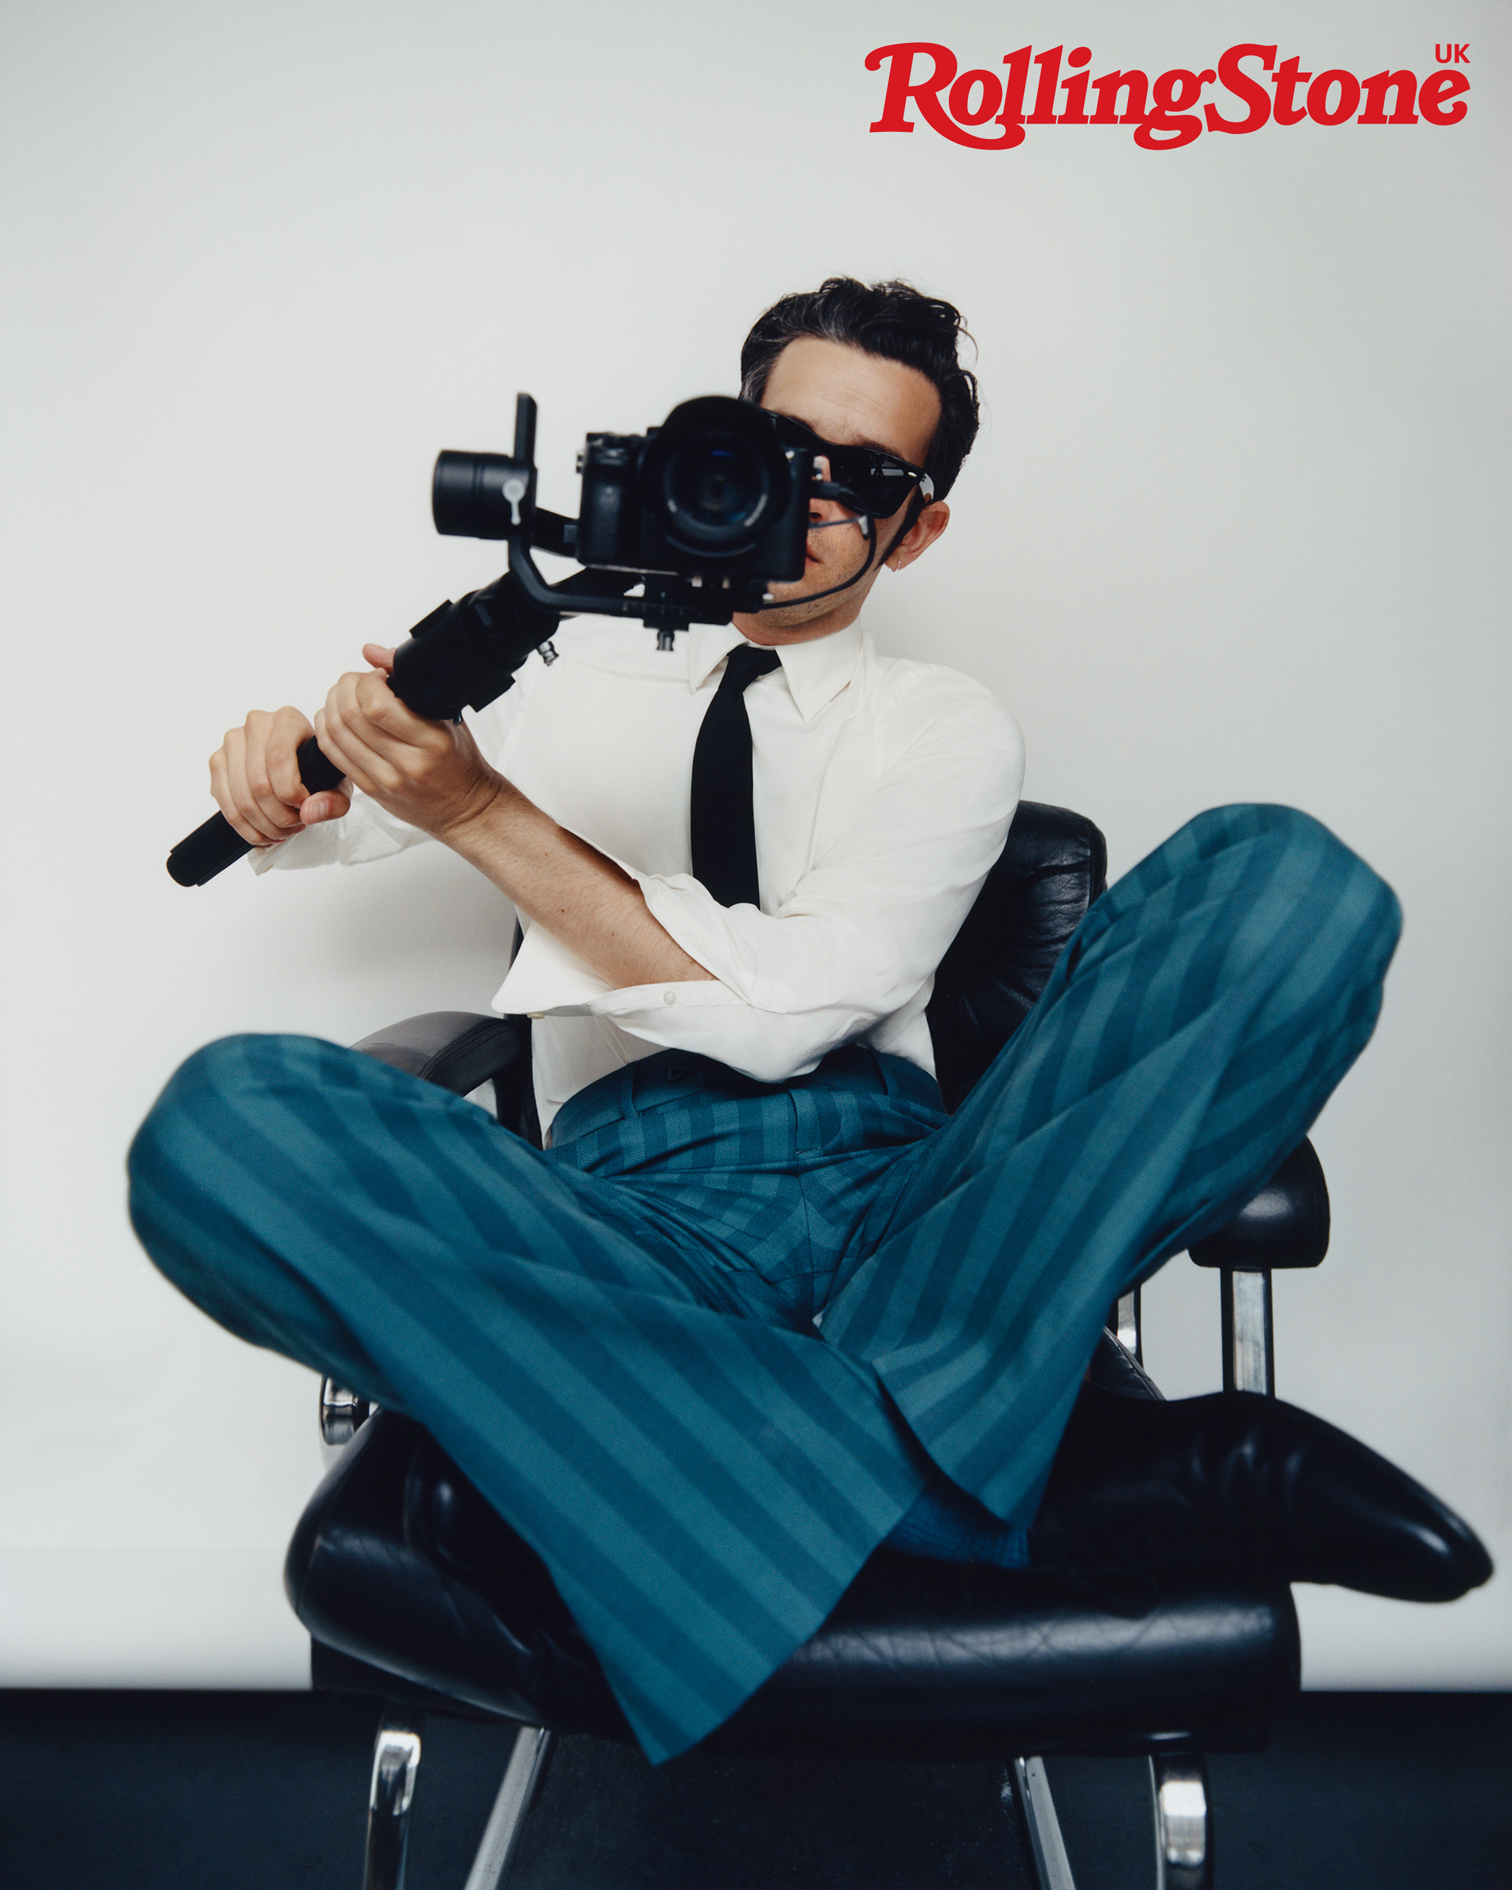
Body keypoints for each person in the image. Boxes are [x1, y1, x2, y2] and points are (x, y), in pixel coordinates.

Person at [128, 279, 1489, 1765]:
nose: (815, 498)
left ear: (921, 528)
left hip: (930, 1217)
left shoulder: (942, 722)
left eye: (870, 479)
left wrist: (485, 818)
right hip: (623, 1236)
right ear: (708, 445)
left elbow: (791, 1017)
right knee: (218, 1130)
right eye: (784, 449)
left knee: (1294, 884)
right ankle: (1074, 1479)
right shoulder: (540, 679)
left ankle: (635, 1459)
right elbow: (316, 823)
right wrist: (280, 780)